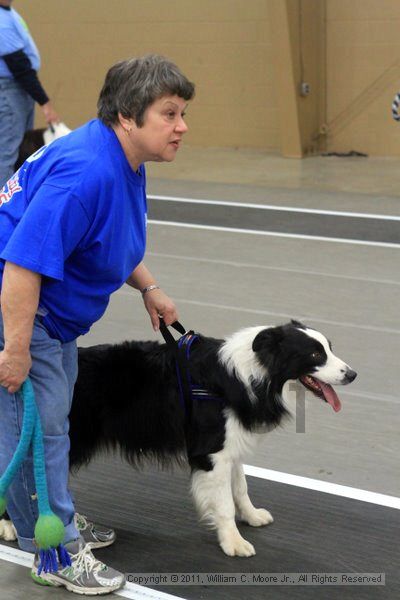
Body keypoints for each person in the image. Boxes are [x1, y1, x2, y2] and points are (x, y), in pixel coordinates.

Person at [0, 54, 195, 594]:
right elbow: (20, 265)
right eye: (170, 114)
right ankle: (53, 547)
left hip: (50, 314)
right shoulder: (87, 172)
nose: (182, 127)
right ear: (129, 116)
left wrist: (149, 287)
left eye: (183, 113)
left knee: (52, 420)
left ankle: (42, 520)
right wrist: (14, 349)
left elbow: (109, 238)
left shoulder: (122, 158)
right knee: (41, 431)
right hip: (20, 307)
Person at [0, 0, 59, 187]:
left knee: (21, 150)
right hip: (10, 89)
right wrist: (45, 102)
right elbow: (19, 65)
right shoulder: (1, 19)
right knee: (7, 154)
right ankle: (4, 210)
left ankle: (16, 201)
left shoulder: (9, 13)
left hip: (19, 90)